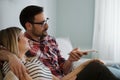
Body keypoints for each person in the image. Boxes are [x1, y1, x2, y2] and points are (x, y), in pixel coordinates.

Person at [0, 5, 120, 80]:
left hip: (65, 76)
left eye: (46, 20)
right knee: (97, 67)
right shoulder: (21, 46)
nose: (47, 26)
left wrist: (70, 60)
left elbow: (63, 68)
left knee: (114, 67)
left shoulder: (50, 40)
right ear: (29, 26)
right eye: (42, 23)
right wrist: (11, 56)